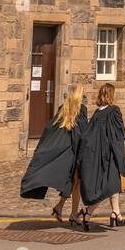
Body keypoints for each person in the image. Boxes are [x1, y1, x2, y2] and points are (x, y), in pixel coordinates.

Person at [19, 83, 88, 225]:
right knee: (77, 182)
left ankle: (61, 207)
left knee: (73, 182)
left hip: (66, 153)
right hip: (75, 152)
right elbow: (82, 133)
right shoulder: (82, 109)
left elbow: (51, 129)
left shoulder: (63, 109)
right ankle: (73, 213)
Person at [78, 83, 125, 228]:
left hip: (97, 155)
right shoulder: (114, 110)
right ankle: (88, 213)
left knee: (113, 183)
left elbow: (88, 135)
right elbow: (118, 131)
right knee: (108, 186)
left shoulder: (97, 113)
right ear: (111, 95)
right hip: (108, 155)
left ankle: (116, 213)